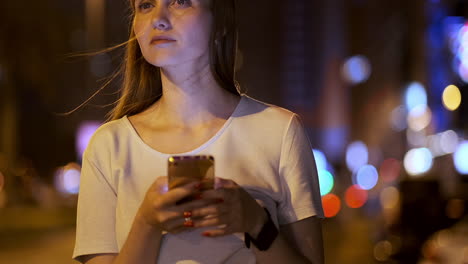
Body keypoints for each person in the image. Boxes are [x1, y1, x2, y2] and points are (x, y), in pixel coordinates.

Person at [73, 0, 324, 263]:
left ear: (220, 22)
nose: (159, 18)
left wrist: (256, 222)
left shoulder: (280, 132)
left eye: (180, 2)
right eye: (146, 5)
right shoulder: (108, 146)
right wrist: (147, 224)